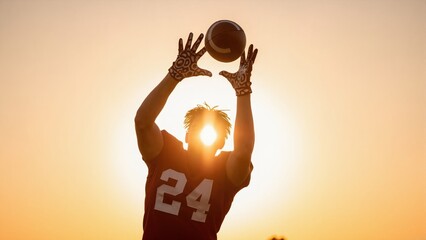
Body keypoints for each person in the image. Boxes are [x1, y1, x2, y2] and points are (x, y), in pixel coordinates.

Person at [134, 32, 258, 240]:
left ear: (220, 143)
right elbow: (142, 122)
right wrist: (174, 75)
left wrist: (243, 91)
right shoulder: (165, 153)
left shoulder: (224, 172)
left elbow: (244, 150)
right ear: (187, 134)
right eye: (197, 128)